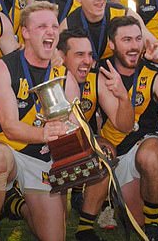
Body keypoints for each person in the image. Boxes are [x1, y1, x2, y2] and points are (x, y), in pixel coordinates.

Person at [0, 1, 80, 241]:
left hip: (43, 156)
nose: (51, 32)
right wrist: (45, 133)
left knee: (54, 236)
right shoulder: (4, 66)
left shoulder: (64, 74)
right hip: (9, 149)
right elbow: (10, 126)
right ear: (25, 32)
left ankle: (17, 204)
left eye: (54, 26)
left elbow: (74, 126)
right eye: (42, 26)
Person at [99, 16, 158, 240]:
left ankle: (153, 225)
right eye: (126, 40)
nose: (134, 46)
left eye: (138, 39)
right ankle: (115, 195)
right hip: (115, 150)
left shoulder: (154, 74)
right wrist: (121, 96)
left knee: (151, 156)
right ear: (112, 44)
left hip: (145, 143)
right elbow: (123, 124)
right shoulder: (100, 72)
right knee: (133, 221)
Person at [57, 28, 134, 240]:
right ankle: (16, 201)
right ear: (62, 57)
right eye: (79, 55)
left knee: (106, 152)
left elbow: (124, 125)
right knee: (55, 229)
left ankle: (85, 226)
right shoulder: (50, 75)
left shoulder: (95, 78)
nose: (87, 61)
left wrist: (123, 97)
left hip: (81, 141)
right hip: (47, 148)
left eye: (90, 55)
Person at [60, 0, 158, 65]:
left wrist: (157, 53)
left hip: (121, 79)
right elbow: (55, 61)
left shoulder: (124, 14)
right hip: (87, 80)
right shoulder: (68, 25)